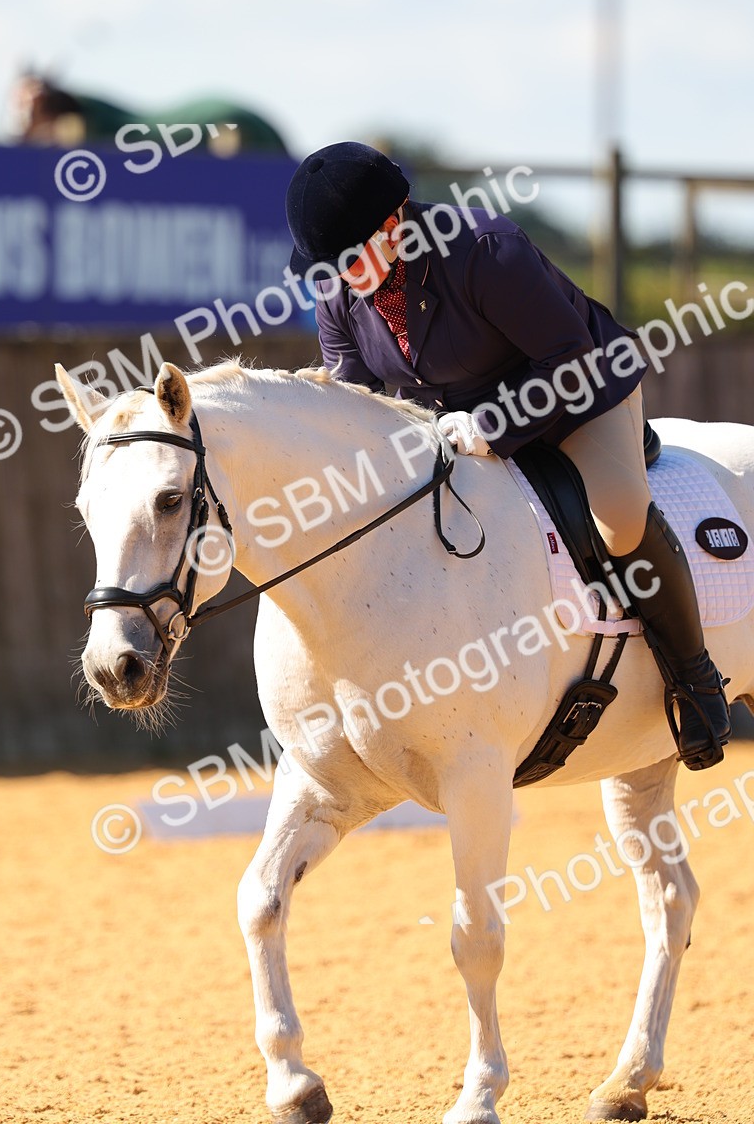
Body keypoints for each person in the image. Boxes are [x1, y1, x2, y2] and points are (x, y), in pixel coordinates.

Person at [285, 141, 731, 770]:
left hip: (579, 394)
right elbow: (356, 401)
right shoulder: (340, 295)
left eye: (349, 261)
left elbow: (570, 361)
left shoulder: (484, 250)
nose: (341, 280)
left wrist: (494, 424)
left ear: (395, 224)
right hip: (458, 421)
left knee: (618, 515)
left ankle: (697, 678)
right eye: (328, 268)